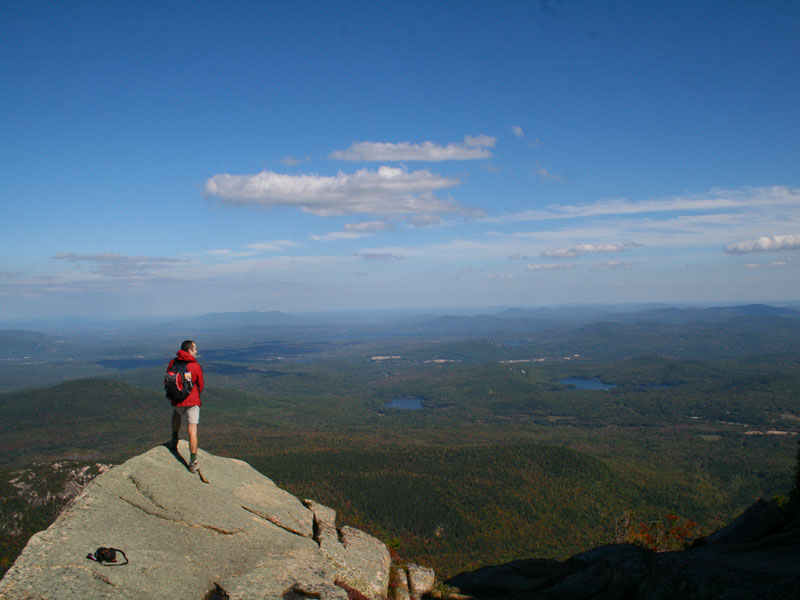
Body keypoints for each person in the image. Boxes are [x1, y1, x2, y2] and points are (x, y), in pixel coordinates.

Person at [167, 340, 204, 472]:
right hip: (191, 401)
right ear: (189, 351)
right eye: (195, 349)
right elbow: (200, 385)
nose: (196, 351)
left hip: (177, 400)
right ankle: (193, 462)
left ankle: (174, 440)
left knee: (176, 414)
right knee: (192, 430)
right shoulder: (194, 366)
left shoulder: (173, 362)